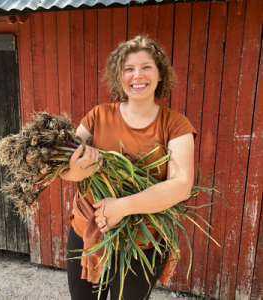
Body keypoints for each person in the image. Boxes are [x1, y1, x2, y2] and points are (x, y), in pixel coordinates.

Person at [60, 35, 197, 300]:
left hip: (143, 239)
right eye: (129, 69)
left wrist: (121, 207)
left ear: (159, 75)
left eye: (147, 67)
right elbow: (66, 168)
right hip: (88, 230)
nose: (138, 75)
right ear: (119, 76)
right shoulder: (98, 116)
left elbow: (181, 186)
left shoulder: (175, 124)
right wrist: (84, 167)